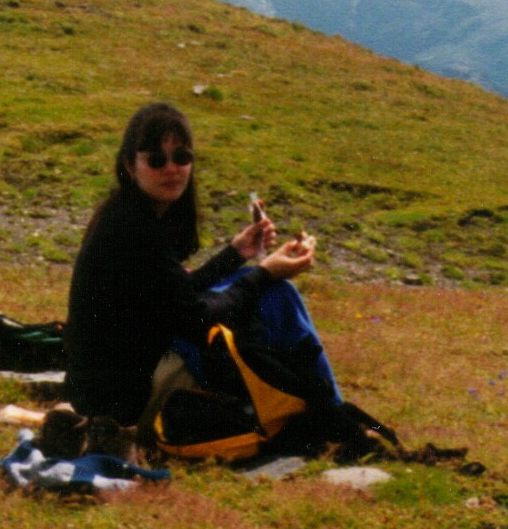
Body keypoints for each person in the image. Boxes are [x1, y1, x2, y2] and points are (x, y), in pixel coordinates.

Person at [62, 101, 320, 426]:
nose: (171, 169)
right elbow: (196, 319)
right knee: (274, 296)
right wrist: (266, 273)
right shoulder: (135, 229)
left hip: (105, 390)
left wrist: (236, 254)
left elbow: (173, 299)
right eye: (157, 160)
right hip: (125, 400)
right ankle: (324, 408)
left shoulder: (125, 216)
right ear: (130, 165)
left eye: (182, 157)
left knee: (252, 286)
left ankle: (313, 405)